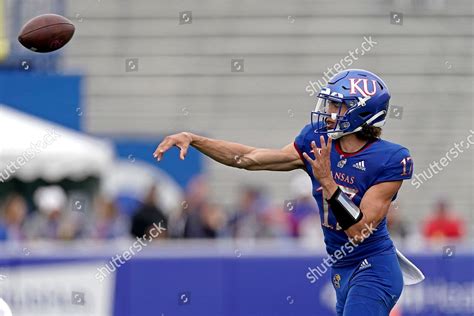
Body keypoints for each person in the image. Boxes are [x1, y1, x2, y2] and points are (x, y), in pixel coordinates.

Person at [153, 69, 424, 315]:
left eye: (337, 105)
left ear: (361, 112)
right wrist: (196, 139)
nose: (328, 111)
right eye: (329, 103)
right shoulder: (316, 140)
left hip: (374, 266)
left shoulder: (389, 158)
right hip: (341, 268)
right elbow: (248, 158)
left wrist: (328, 182)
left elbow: (359, 230)